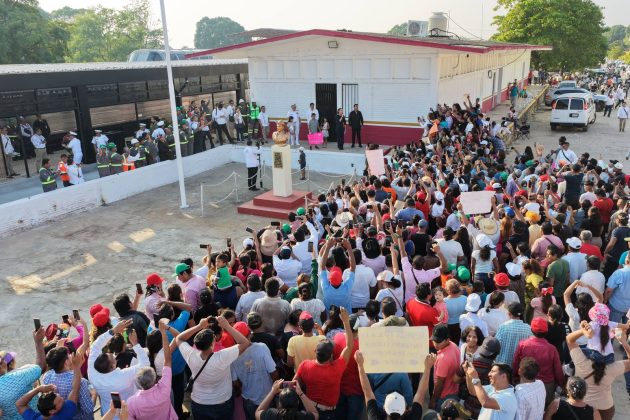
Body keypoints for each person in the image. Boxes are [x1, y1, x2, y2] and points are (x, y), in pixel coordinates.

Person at [176, 315, 251, 420]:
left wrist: (199, 326)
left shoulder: (191, 355)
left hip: (199, 403)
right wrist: (227, 326)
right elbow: (245, 342)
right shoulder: (222, 356)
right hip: (223, 403)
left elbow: (179, 338)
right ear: (212, 344)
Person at [294, 307, 352, 420]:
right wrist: (346, 322)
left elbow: (294, 383)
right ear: (331, 355)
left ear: (315, 351)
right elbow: (349, 346)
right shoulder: (337, 367)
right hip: (330, 414)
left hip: (310, 410)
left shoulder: (305, 365)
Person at [88, 319, 150, 416]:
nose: (113, 354)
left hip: (108, 413)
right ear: (113, 366)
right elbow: (145, 364)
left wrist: (113, 331)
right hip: (128, 413)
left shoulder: (93, 375)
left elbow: (95, 346)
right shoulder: (122, 376)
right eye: (113, 357)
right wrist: (135, 343)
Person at [357, 351, 435, 420]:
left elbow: (367, 391)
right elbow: (420, 394)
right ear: (405, 410)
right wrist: (428, 368)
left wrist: (360, 365)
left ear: (384, 408)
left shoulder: (375, 417)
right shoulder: (402, 374)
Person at [127, 318, 177, 420]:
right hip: (163, 382)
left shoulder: (145, 352)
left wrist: (133, 344)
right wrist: (165, 330)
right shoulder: (163, 355)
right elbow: (178, 337)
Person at [231, 321, 279, 420]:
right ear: (250, 334)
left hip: (248, 399)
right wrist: (276, 391)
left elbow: (235, 383)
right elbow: (273, 372)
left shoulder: (232, 354)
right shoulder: (262, 347)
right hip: (267, 397)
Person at [16, 351, 84, 420]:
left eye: (59, 397)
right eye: (59, 401)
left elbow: (19, 404)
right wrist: (76, 366)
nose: (63, 399)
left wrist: (38, 389)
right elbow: (75, 388)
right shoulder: (65, 414)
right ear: (52, 411)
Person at [512, 317, 563, 406]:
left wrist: (515, 376)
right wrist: (562, 383)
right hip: (547, 385)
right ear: (546, 331)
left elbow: (515, 363)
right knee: (545, 408)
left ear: (531, 330)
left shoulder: (523, 344)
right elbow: (558, 370)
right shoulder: (552, 349)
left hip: (526, 381)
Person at [429, 324, 461, 410]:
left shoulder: (443, 358)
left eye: (439, 341)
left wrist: (433, 401)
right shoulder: (453, 345)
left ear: (447, 340)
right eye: (434, 340)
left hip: (443, 397)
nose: (435, 344)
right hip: (454, 392)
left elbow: (439, 385)